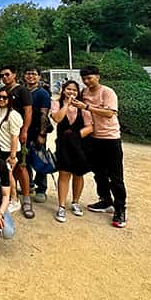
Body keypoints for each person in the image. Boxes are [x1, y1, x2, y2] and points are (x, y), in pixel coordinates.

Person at [73, 66, 127, 228]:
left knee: (115, 176)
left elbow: (110, 113)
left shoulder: (107, 92)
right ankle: (105, 200)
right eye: (84, 78)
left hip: (110, 138)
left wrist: (87, 107)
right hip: (93, 138)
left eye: (90, 78)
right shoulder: (84, 92)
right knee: (99, 173)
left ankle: (120, 209)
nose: (86, 81)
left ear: (98, 77)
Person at [51, 80, 93, 223]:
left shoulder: (82, 107)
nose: (72, 92)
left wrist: (77, 136)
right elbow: (57, 118)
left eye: (74, 90)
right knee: (64, 173)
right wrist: (67, 104)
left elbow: (90, 126)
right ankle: (61, 205)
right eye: (69, 89)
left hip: (80, 145)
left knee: (78, 174)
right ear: (63, 90)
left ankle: (75, 202)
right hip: (63, 144)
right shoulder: (57, 103)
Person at [0, 65, 34, 217]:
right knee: (8, 168)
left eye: (7, 74)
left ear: (14, 74)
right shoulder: (5, 91)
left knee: (21, 166)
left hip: (18, 133)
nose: (5, 77)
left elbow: (28, 110)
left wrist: (25, 130)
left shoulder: (22, 90)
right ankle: (13, 195)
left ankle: (26, 199)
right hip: (6, 135)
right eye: (2, 75)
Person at [0, 88, 27, 215]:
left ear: (9, 99)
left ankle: (14, 199)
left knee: (9, 175)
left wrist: (12, 156)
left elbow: (14, 137)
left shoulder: (13, 115)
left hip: (9, 150)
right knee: (2, 175)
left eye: (4, 97)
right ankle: (6, 197)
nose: (1, 99)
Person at [24, 66, 52, 203]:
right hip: (24, 131)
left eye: (34, 74)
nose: (31, 76)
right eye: (28, 73)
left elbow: (44, 115)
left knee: (40, 159)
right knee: (25, 160)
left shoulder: (43, 93)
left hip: (37, 131)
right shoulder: (23, 91)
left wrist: (42, 134)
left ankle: (41, 189)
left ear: (39, 77)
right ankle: (29, 185)